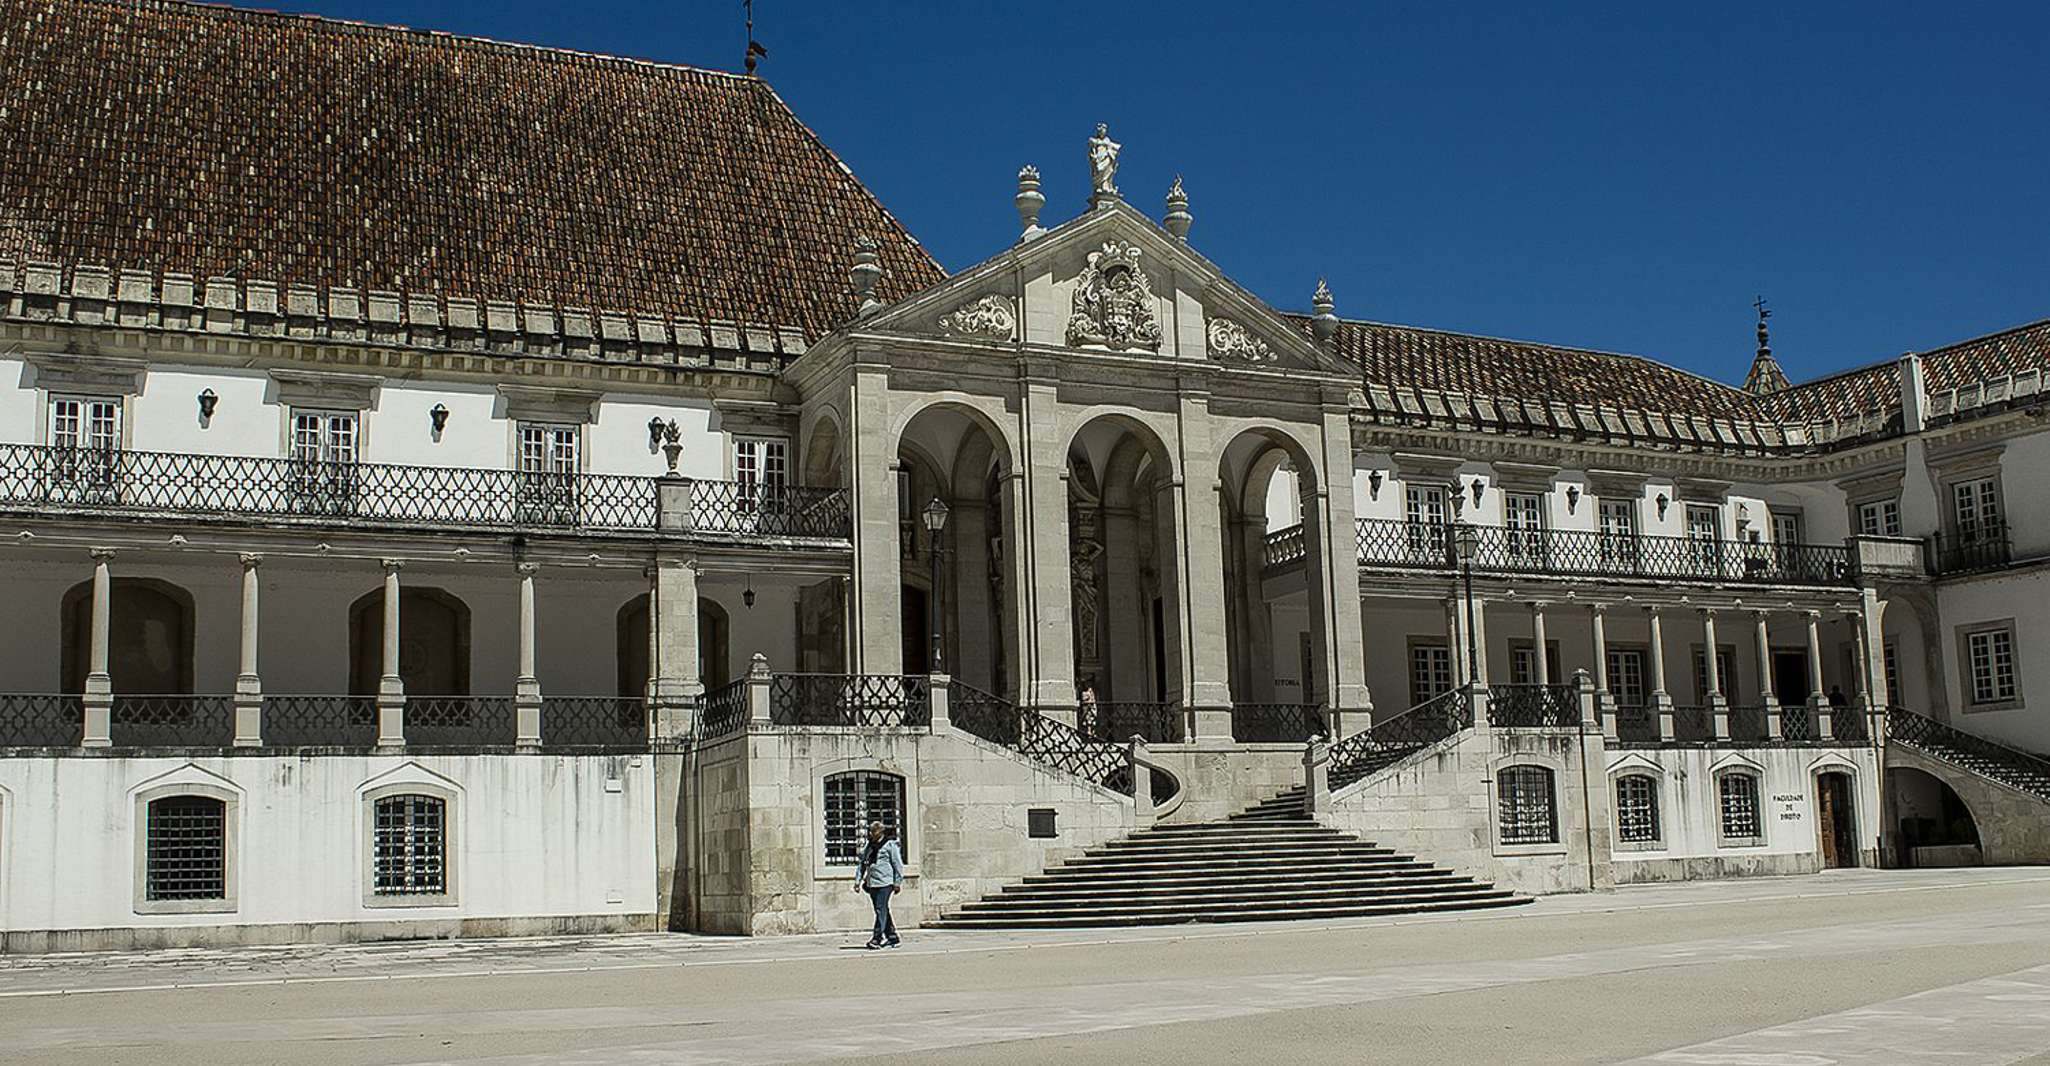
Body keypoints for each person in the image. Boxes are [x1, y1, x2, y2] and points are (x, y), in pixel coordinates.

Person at [855, 819, 904, 949]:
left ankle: (877, 938)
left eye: (874, 832)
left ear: (880, 832)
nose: (871, 834)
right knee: (882, 910)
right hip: (872, 883)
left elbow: (897, 864)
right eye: (871, 831)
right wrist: (858, 880)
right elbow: (862, 863)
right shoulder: (870, 846)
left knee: (880, 909)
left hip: (885, 883)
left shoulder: (890, 845)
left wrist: (897, 882)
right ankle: (892, 937)